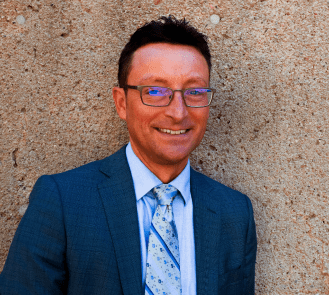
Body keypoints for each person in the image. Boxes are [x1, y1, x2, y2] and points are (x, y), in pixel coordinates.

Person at [0, 15, 257, 295]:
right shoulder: (62, 201)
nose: (178, 112)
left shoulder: (234, 213)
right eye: (156, 91)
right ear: (121, 103)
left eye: (194, 92)